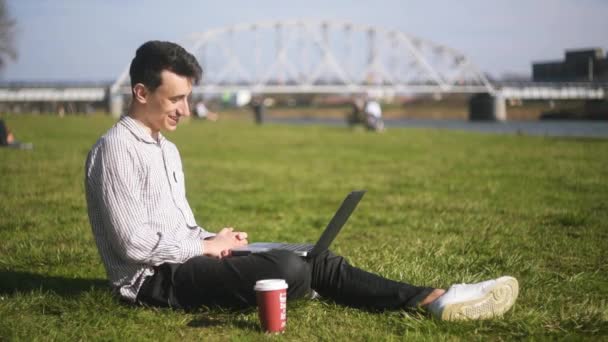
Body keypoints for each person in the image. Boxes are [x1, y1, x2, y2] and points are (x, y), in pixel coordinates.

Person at [84, 41, 519, 321]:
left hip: (189, 259)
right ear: (141, 93)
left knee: (314, 255)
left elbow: (175, 226)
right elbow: (133, 245)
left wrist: (215, 238)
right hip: (152, 284)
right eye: (175, 99)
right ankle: (304, 280)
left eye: (188, 99)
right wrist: (204, 248)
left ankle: (435, 298)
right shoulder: (115, 148)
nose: (185, 110)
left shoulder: (166, 148)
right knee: (289, 268)